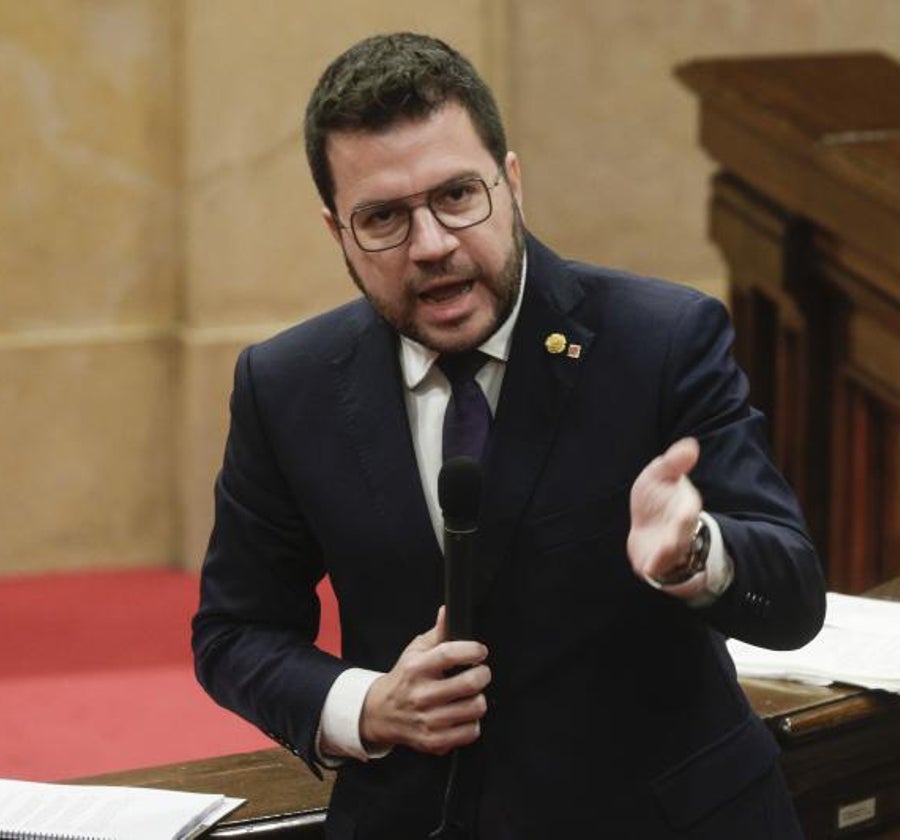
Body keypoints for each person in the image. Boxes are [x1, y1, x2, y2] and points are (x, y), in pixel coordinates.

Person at [192, 32, 825, 839]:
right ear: (337, 233)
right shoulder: (286, 386)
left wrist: (698, 553)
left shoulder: (660, 341)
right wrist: (367, 705)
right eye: (383, 218)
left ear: (512, 183)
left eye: (458, 196)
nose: (431, 246)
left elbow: (794, 594)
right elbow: (235, 632)